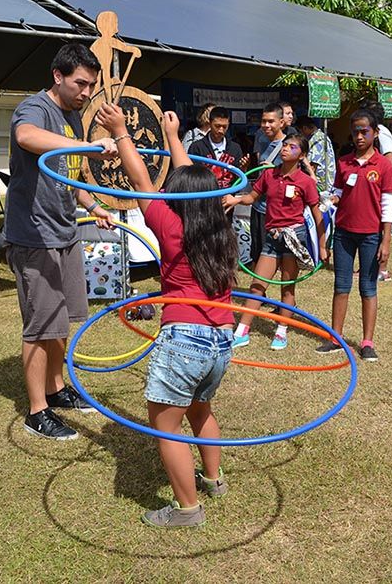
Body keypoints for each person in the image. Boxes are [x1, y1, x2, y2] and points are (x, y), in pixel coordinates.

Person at [97, 104, 237, 529]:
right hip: (222, 338)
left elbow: (140, 176)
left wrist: (122, 131)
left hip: (185, 338)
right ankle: (213, 479)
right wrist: (173, 138)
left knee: (167, 425)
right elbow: (191, 183)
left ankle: (187, 510)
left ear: (175, 199)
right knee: (201, 409)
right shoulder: (220, 226)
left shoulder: (167, 223)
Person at [4, 43, 116, 441]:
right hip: (35, 236)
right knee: (39, 323)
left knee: (62, 320)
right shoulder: (36, 108)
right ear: (58, 76)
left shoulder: (72, 116)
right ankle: (38, 410)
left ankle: (57, 387)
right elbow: (27, 136)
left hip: (65, 230)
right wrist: (84, 145)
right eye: (80, 84)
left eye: (91, 86)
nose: (87, 93)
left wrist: (94, 204)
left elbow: (69, 176)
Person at [224, 134, 327, 351]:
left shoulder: (305, 182)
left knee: (287, 289)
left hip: (293, 238)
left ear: (303, 155)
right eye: (284, 145)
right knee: (257, 285)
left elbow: (318, 216)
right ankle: (242, 331)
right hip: (272, 237)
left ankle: (281, 331)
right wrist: (235, 199)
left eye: (292, 147)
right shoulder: (269, 175)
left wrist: (323, 246)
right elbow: (252, 197)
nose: (285, 149)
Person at [317, 109, 392, 362]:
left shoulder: (383, 165)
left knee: (368, 288)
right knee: (341, 286)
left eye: (365, 131)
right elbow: (338, 192)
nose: (359, 136)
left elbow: (387, 206)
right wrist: (328, 201)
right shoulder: (344, 162)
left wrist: (386, 240)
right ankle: (335, 338)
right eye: (355, 132)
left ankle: (367, 342)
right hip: (344, 235)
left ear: (375, 133)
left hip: (371, 236)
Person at [248, 103, 288, 266]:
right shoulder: (262, 139)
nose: (266, 125)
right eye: (264, 121)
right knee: (257, 252)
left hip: (274, 210)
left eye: (271, 121)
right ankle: (258, 291)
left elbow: (294, 177)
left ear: (281, 123)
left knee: (271, 255)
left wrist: (273, 170)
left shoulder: (289, 145)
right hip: (258, 204)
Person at [361, 101, 392, 281]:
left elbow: (389, 160)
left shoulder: (381, 133)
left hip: (378, 185)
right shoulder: (373, 132)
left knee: (379, 227)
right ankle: (368, 267)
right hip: (370, 184)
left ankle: (382, 269)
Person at [187, 106, 245, 190]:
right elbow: (192, 177)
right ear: (210, 123)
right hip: (205, 197)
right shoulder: (197, 147)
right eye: (217, 126)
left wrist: (243, 168)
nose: (221, 130)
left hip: (229, 197)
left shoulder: (235, 148)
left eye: (224, 127)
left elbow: (239, 177)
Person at [295, 115, 336, 201]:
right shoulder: (320, 137)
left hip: (321, 185)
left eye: (300, 131)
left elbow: (313, 166)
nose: (301, 134)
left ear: (305, 128)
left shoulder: (318, 140)